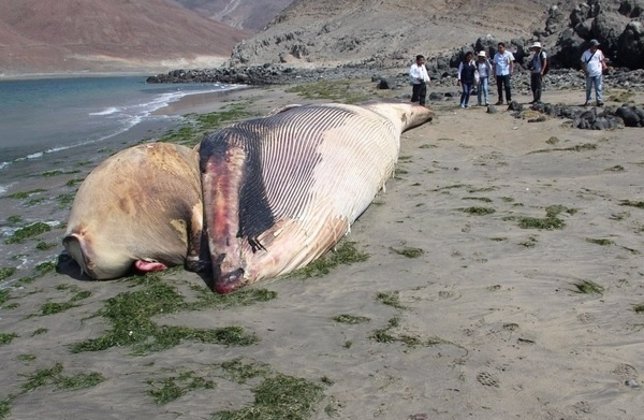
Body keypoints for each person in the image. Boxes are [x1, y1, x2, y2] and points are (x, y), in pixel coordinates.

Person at [580, 39, 606, 106]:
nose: (596, 47)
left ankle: (599, 100)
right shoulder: (585, 53)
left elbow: (602, 60)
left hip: (598, 72)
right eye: (595, 46)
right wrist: (585, 71)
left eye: (597, 46)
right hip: (589, 73)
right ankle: (588, 100)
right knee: (588, 88)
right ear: (591, 46)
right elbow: (582, 62)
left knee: (598, 87)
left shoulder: (599, 52)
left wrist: (604, 66)